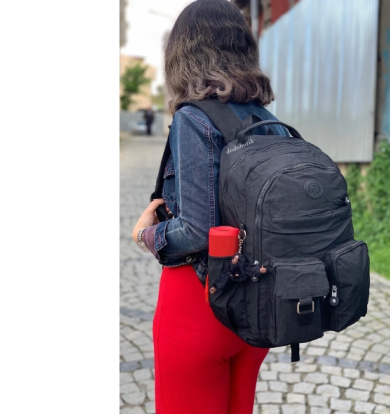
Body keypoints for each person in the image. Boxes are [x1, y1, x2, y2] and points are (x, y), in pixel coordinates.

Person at [131, 0, 287, 412]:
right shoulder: (266, 120)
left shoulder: (194, 118)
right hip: (256, 306)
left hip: (198, 304)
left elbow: (197, 230)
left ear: (182, 54)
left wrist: (148, 234)